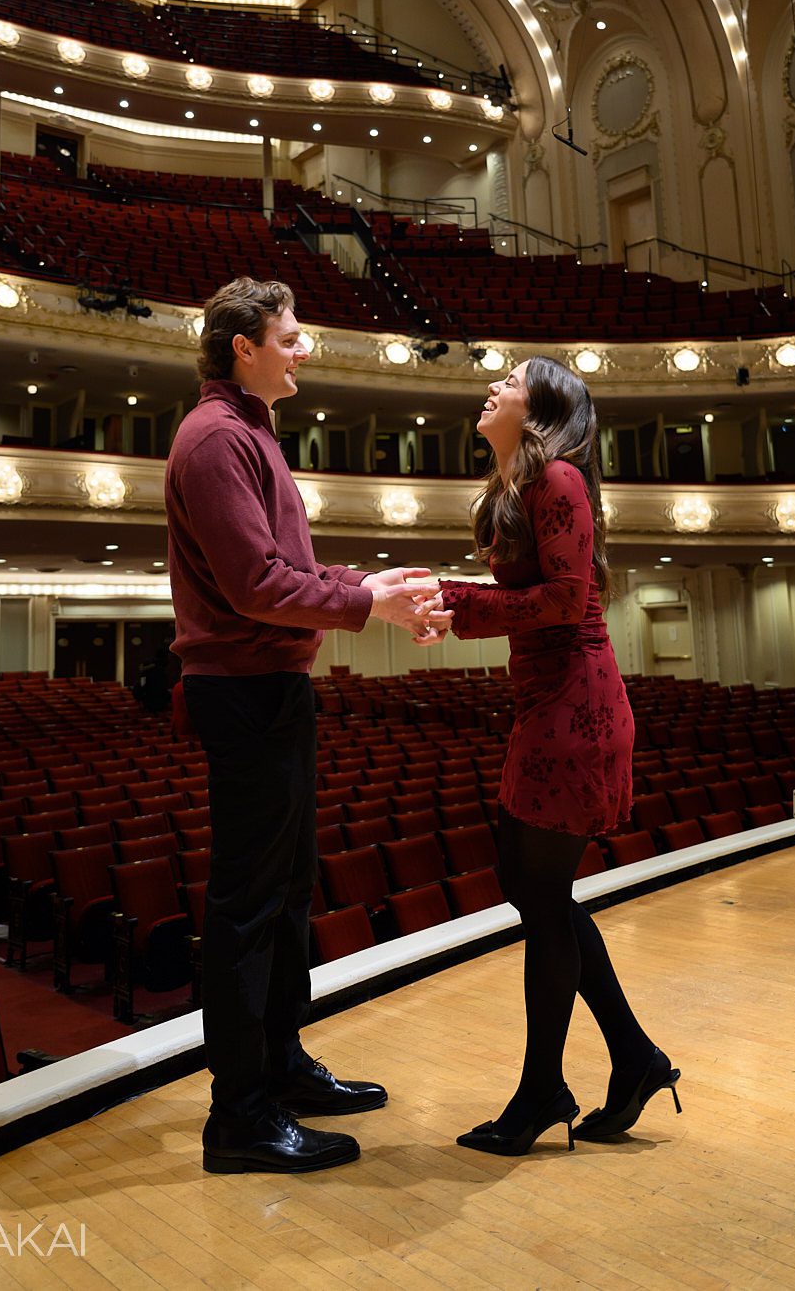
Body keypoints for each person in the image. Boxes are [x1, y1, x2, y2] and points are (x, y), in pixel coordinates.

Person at [165, 276, 448, 1175]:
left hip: (271, 687)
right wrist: (366, 604)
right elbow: (254, 585)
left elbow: (283, 569)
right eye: (289, 337)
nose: (303, 349)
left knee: (286, 893)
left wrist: (368, 588)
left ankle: (279, 1065)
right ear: (242, 347)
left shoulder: (250, 432)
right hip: (243, 689)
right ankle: (239, 1115)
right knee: (249, 906)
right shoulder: (216, 438)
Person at [435, 355, 681, 1155]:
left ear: (540, 409)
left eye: (508, 382)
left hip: (574, 707)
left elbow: (565, 601)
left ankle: (543, 1090)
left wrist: (457, 604)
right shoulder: (520, 486)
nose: (491, 386)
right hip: (544, 703)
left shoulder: (559, 481)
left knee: (541, 903)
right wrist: (455, 602)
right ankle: (634, 1058)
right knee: (534, 893)